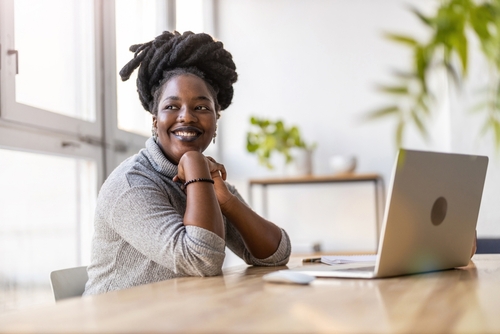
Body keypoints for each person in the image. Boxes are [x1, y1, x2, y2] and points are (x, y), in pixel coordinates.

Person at [84, 31, 291, 295]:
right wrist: (193, 161)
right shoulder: (131, 184)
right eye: (172, 107)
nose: (187, 117)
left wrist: (227, 201)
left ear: (216, 121)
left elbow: (276, 255)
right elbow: (201, 260)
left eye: (202, 108)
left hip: (175, 316)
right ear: (155, 120)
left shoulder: (207, 179)